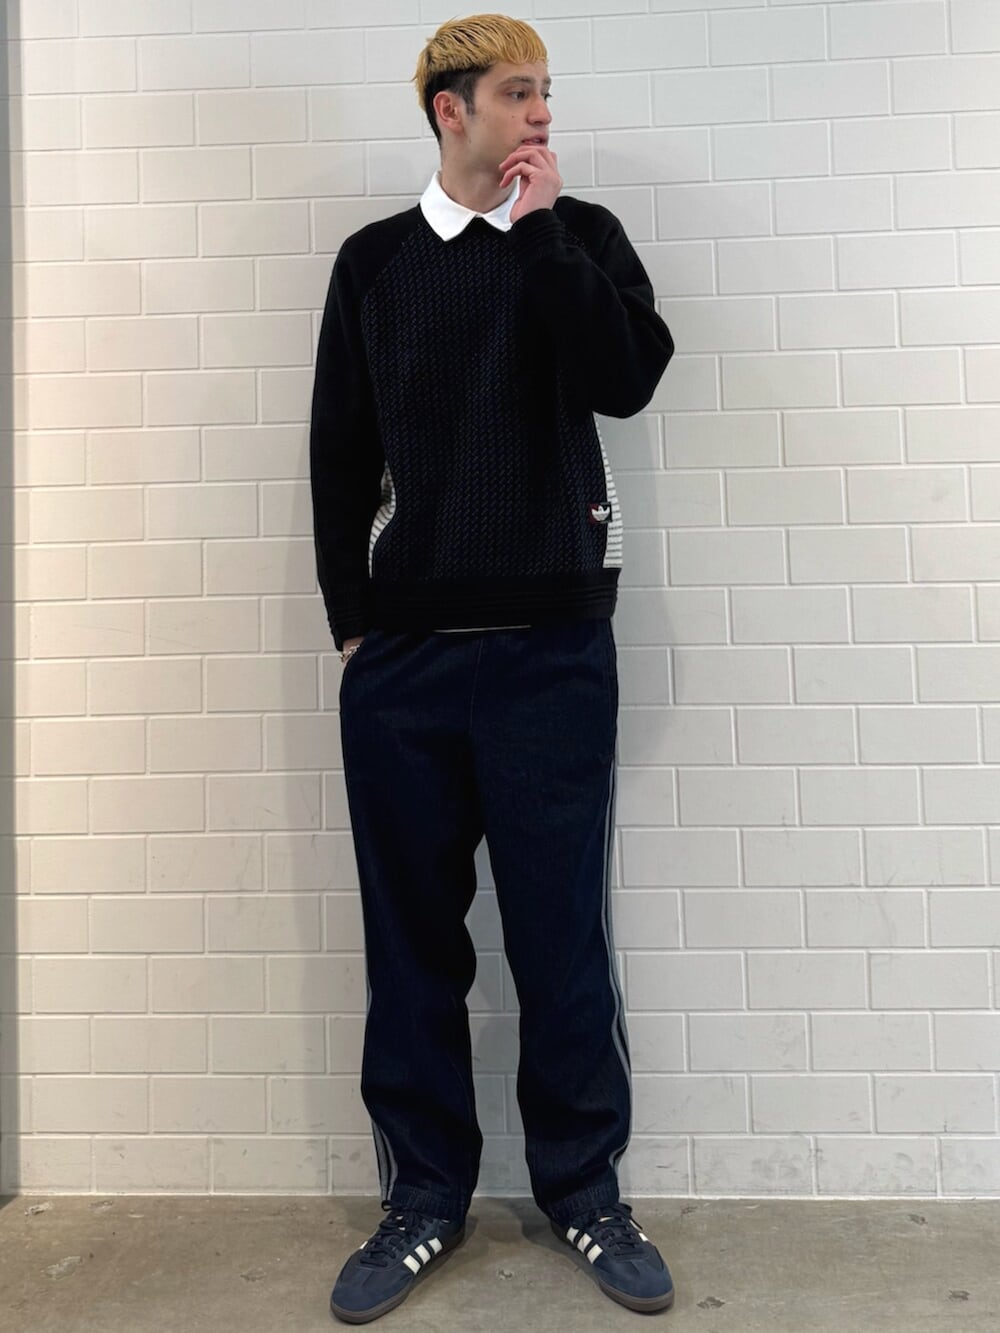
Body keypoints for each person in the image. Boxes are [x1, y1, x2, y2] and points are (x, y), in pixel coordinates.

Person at [310, 13, 675, 1325]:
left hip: (552, 655)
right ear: (448, 110)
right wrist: (353, 622)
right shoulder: (374, 264)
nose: (541, 113)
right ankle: (424, 1198)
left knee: (560, 939)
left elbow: (625, 380)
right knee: (413, 948)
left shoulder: (581, 240)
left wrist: (544, 235)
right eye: (518, 93)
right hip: (406, 666)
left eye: (546, 92)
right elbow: (339, 450)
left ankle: (585, 1190)